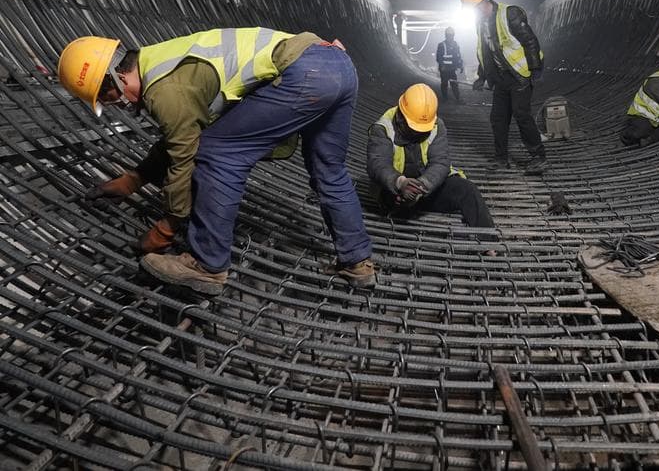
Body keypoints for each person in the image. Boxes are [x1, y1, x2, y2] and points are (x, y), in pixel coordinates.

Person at [57, 27, 376, 295]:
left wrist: (168, 226)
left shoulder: (165, 89)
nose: (117, 105)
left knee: (218, 154)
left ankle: (207, 265)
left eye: (109, 98)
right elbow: (179, 133)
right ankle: (357, 262)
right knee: (329, 169)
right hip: (337, 65)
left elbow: (186, 154)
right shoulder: (161, 62)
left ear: (118, 78)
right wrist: (135, 178)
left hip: (306, 73)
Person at [367, 84, 494, 230]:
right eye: (413, 128)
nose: (417, 133)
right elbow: (377, 163)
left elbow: (441, 162)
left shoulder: (435, 125)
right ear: (401, 116)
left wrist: (422, 186)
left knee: (467, 189)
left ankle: (489, 244)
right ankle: (397, 216)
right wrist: (400, 183)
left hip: (427, 190)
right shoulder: (383, 128)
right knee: (394, 199)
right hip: (395, 192)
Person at [459, 0, 547, 175]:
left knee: (522, 115)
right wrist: (482, 76)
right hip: (500, 78)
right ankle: (501, 159)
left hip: (520, 76)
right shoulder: (480, 22)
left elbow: (531, 42)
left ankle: (539, 157)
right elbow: (485, 51)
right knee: (498, 118)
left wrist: (534, 71)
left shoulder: (510, 14)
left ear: (482, 1)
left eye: (473, 8)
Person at [435, 27, 463, 103]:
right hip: (444, 69)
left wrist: (460, 65)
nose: (450, 37)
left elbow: (458, 56)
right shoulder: (441, 45)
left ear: (453, 35)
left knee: (454, 84)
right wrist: (442, 66)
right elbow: (439, 57)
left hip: (452, 69)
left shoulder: (455, 44)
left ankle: (457, 98)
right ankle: (445, 99)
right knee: (444, 84)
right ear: (446, 35)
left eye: (451, 35)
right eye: (449, 35)